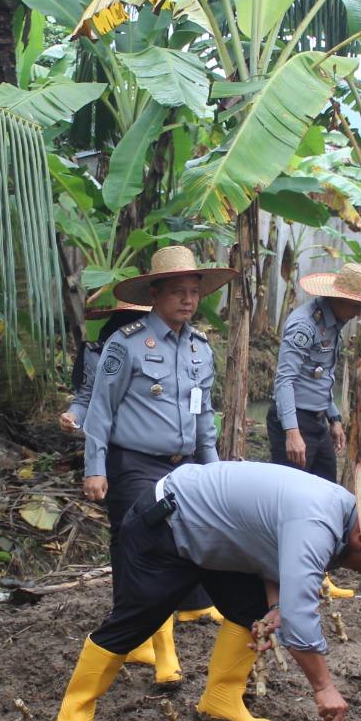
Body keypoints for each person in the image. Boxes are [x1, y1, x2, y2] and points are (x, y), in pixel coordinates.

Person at [53, 462, 361, 721]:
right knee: (136, 620)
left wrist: (275, 606)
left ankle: (219, 700)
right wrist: (323, 687)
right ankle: (75, 710)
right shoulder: (319, 522)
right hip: (167, 524)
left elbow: (270, 549)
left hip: (218, 538)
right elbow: (301, 618)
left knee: (252, 611)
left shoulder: (339, 514)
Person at [82, 247, 237, 686]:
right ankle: (158, 650)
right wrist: (95, 468)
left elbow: (204, 414)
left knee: (172, 546)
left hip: (184, 466)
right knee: (145, 543)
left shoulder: (199, 347)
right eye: (178, 293)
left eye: (194, 293)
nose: (188, 301)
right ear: (155, 294)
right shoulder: (126, 342)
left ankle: (136, 635)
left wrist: (213, 470)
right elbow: (100, 410)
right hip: (133, 463)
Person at [269, 261, 361, 598]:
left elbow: (322, 376)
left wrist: (334, 418)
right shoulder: (303, 325)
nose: (357, 313)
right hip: (294, 420)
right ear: (337, 298)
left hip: (316, 420)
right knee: (294, 504)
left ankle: (319, 574)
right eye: (355, 305)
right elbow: (285, 381)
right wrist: (292, 432)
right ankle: (285, 580)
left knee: (327, 497)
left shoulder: (334, 323)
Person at [60, 295, 150, 435]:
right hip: (116, 440)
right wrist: (72, 417)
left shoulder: (173, 350)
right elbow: (86, 400)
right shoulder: (97, 354)